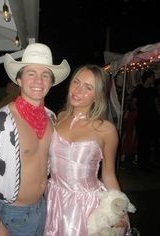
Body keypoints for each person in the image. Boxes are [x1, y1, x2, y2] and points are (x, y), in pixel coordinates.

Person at [0, 43, 70, 236]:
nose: (39, 81)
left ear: (51, 82)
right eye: (31, 73)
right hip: (11, 215)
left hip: (44, 208)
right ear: (19, 79)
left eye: (45, 75)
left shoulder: (51, 119)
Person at [43, 64, 130, 236]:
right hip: (54, 199)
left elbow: (109, 175)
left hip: (86, 206)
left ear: (97, 96)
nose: (77, 90)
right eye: (76, 82)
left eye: (88, 87)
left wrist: (123, 214)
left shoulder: (106, 130)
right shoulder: (58, 118)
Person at [131, 69, 158, 172]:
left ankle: (147, 163)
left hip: (152, 119)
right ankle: (142, 164)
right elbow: (133, 104)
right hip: (142, 120)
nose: (154, 79)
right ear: (148, 77)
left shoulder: (153, 90)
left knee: (149, 141)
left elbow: (156, 105)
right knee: (142, 142)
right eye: (153, 77)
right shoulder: (139, 89)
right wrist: (140, 109)